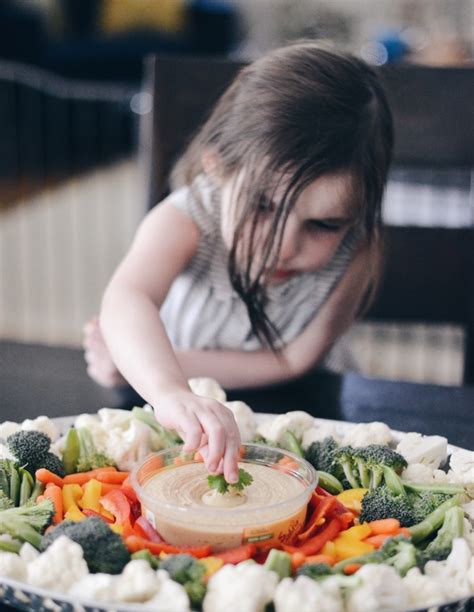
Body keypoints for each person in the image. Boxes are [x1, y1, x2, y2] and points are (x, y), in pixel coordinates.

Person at [84, 42, 393, 483]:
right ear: (218, 168)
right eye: (263, 207)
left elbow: (291, 362)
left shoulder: (358, 248)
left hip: (305, 419)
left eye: (324, 224)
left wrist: (145, 364)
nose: (283, 247)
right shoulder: (187, 218)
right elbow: (128, 297)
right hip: (185, 419)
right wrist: (166, 387)